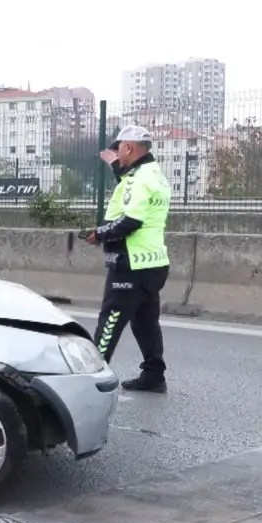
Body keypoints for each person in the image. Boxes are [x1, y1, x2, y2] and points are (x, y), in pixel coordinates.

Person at [82, 124, 171, 393]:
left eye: (119, 147)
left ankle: (93, 378)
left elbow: (130, 220)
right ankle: (154, 375)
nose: (116, 152)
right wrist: (116, 165)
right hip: (153, 262)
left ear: (129, 147)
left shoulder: (137, 178)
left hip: (130, 263)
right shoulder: (153, 173)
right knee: (145, 321)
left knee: (110, 320)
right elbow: (133, 189)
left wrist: (98, 234)